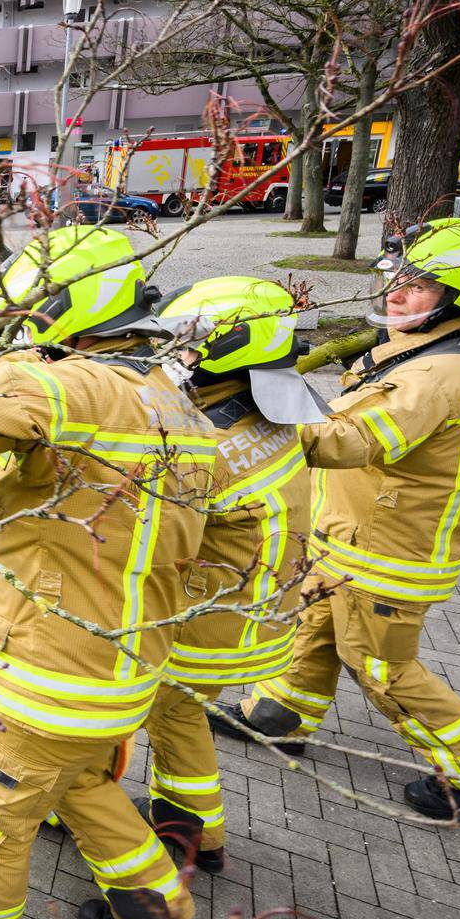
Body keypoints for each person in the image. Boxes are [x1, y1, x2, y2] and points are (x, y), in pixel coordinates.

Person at [0, 226, 215, 919]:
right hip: (120, 673)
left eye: (33, 313)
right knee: (86, 792)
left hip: (46, 675)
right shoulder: (177, 406)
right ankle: (158, 914)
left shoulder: (81, 383)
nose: (25, 329)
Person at [210, 218, 460, 819]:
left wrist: (253, 418)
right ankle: (278, 714)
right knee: (316, 623)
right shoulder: (437, 344)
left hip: (391, 549)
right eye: (398, 277)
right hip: (354, 535)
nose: (397, 293)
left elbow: (351, 439)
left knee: (382, 666)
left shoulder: (440, 372)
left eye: (420, 285)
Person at [134, 277, 326, 874]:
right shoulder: (264, 414)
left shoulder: (206, 448)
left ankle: (189, 837)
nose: (173, 358)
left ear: (228, 355)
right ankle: (195, 824)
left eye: (186, 348)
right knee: (183, 716)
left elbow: (147, 534)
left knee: (168, 715)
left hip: (213, 623)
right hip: (254, 611)